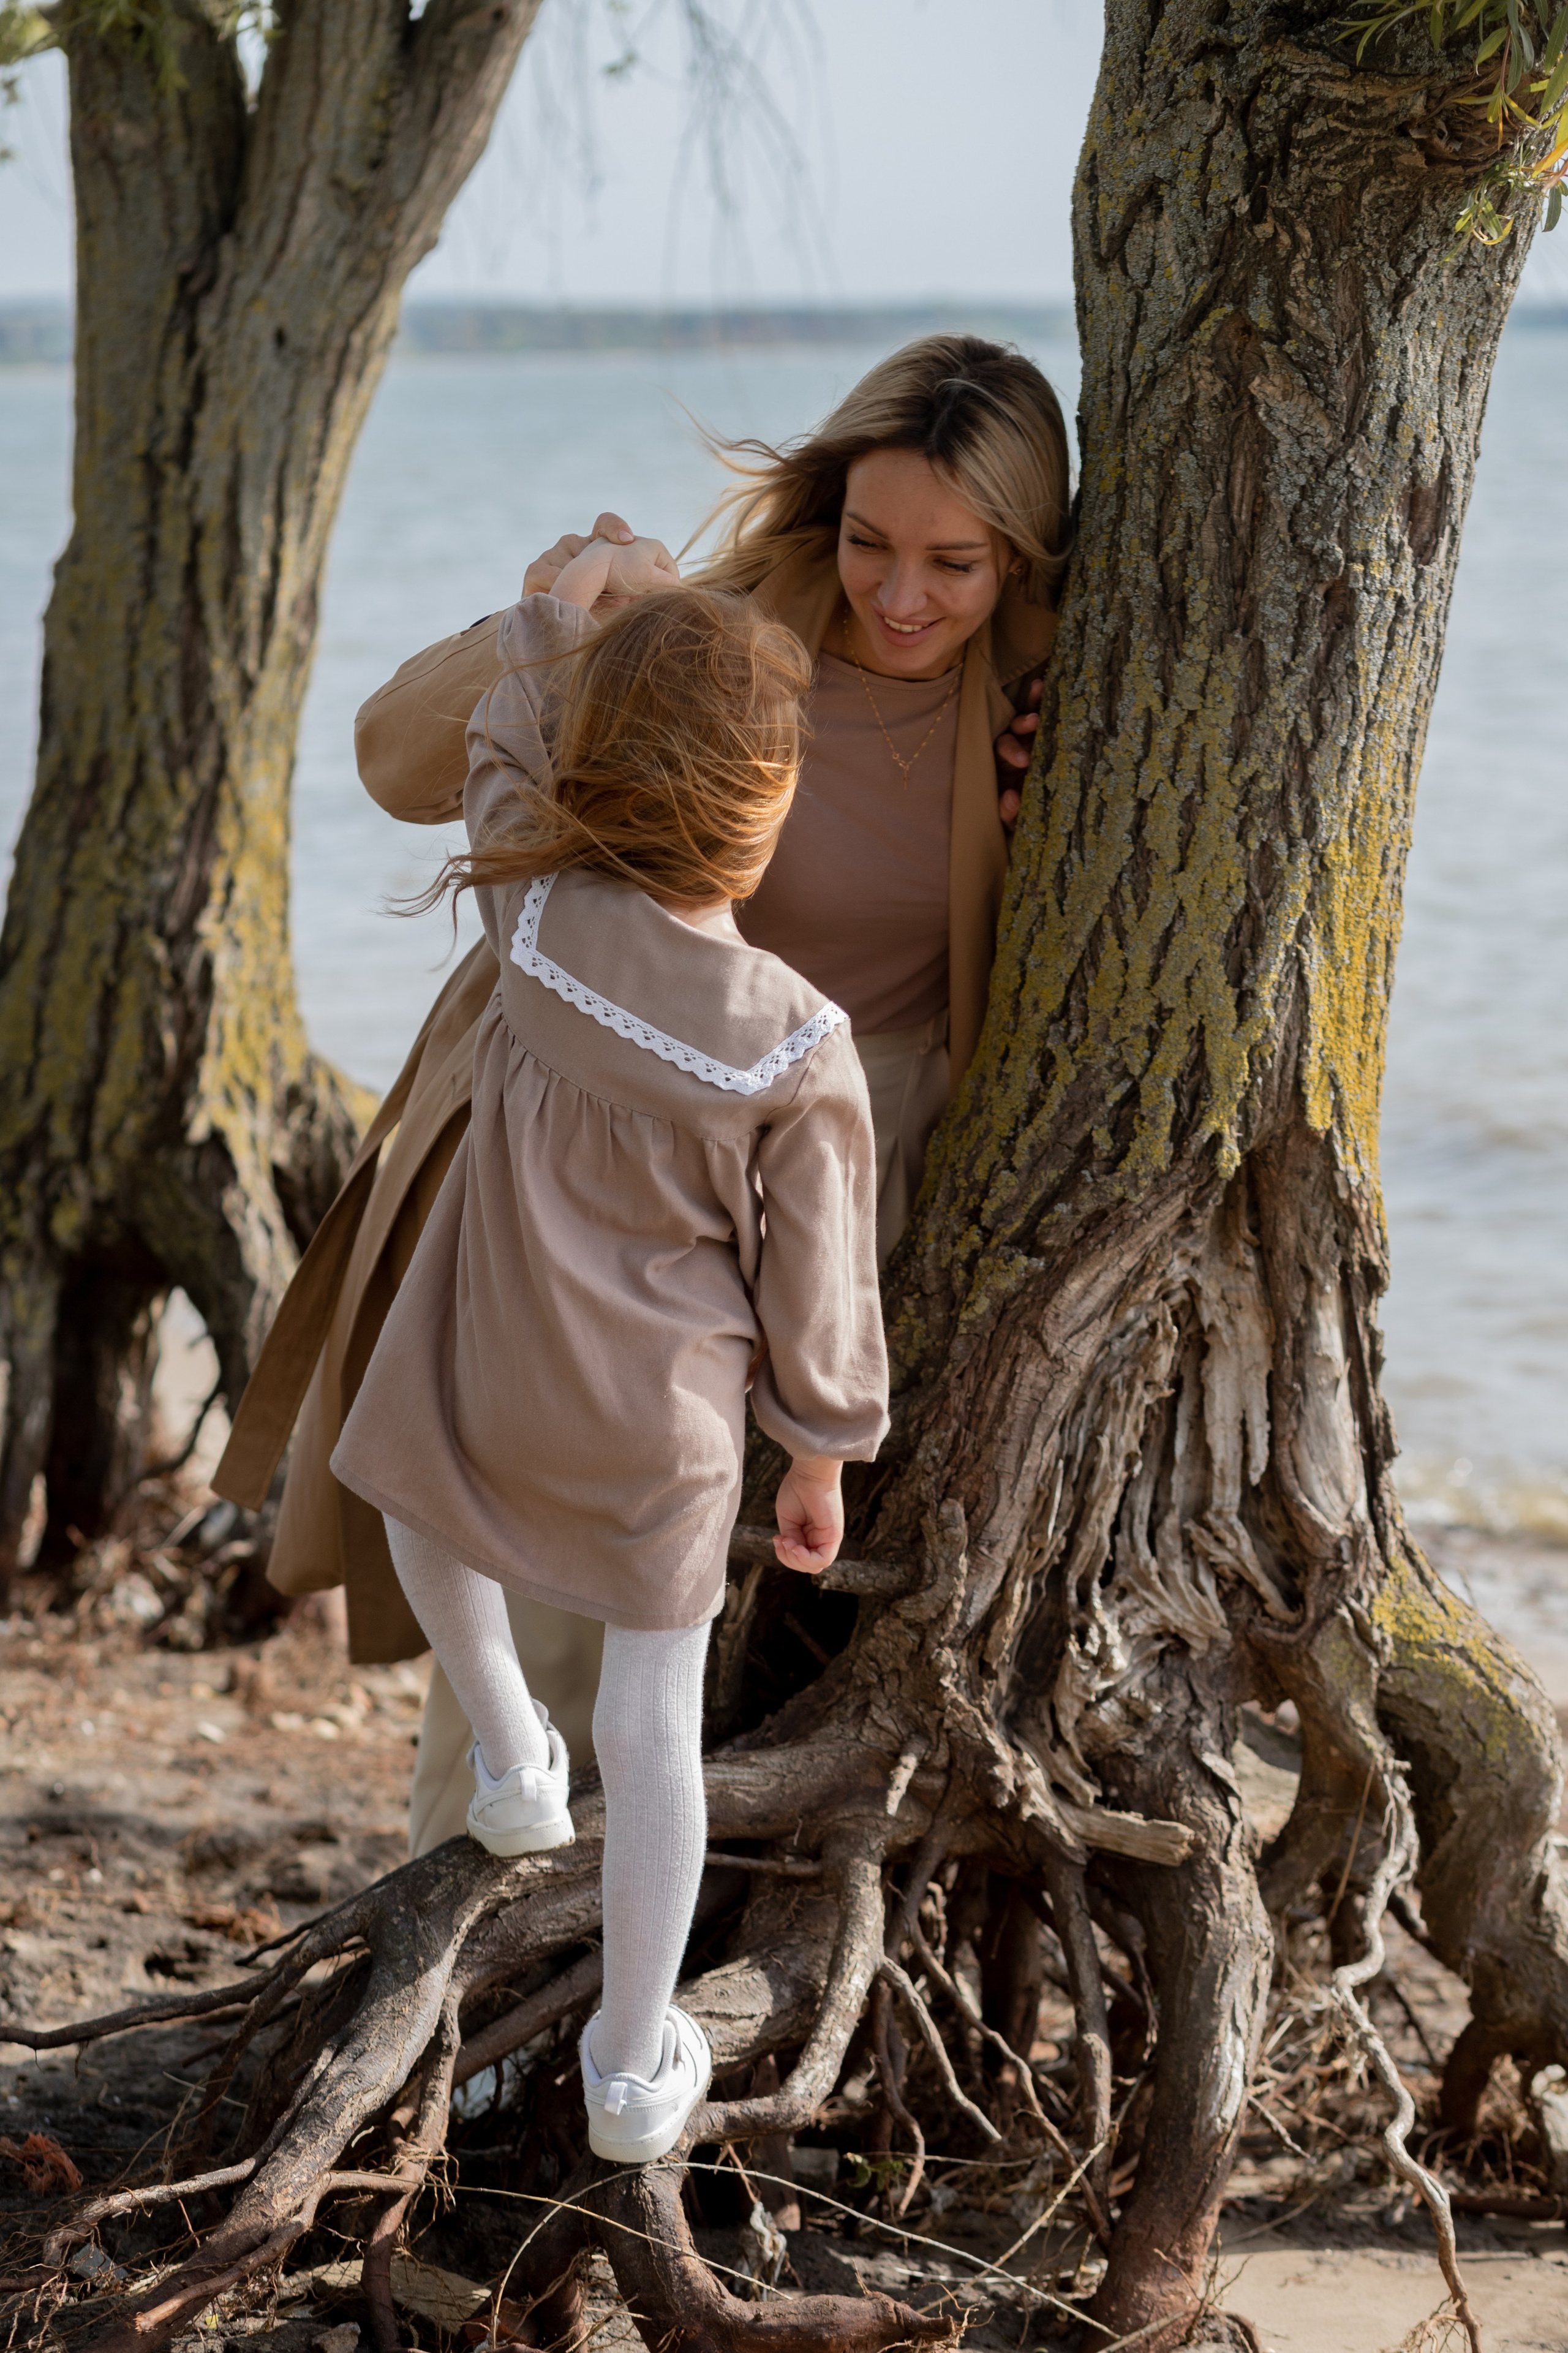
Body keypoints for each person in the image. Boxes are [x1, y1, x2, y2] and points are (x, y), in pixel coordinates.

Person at [215, 333, 1071, 1848]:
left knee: (757, 1634)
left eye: (956, 562)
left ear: (1019, 555)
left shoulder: (1052, 704)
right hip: (603, 1172)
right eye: (870, 543)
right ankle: (458, 1963)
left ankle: (649, 1977)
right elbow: (398, 758)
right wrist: (554, 617)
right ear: (823, 513)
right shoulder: (712, 632)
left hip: (850, 1190)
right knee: (545, 1600)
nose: (902, 595)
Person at [329, 559, 887, 2162]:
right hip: (666, 1437)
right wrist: (821, 1448)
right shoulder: (794, 1035)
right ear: (763, 814)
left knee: (414, 1499)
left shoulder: (537, 921)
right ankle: (634, 2062)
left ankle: (506, 1741)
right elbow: (819, 1274)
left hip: (491, 1366)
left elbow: (501, 758)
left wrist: (541, 634)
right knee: (656, 1736)